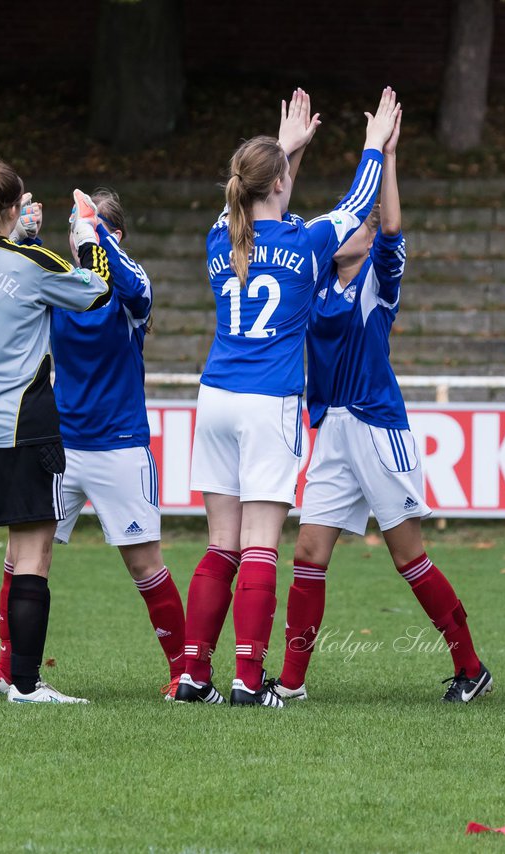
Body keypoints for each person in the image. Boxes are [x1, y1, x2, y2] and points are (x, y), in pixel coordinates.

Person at [175, 88, 399, 708]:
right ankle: (248, 679)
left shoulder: (221, 237)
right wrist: (373, 145)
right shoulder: (303, 245)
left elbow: (260, 209)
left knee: (220, 542)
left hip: (215, 395)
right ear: (276, 183)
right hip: (268, 400)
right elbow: (357, 207)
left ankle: (195, 674)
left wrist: (288, 151)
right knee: (259, 546)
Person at [274, 108, 492, 704]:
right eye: (350, 224)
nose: (356, 227)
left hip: (376, 426)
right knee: (308, 553)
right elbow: (277, 218)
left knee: (408, 556)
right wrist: (290, 150)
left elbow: (392, 228)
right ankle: (291, 685)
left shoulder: (376, 279)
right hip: (332, 430)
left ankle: (470, 666)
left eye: (361, 225)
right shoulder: (314, 279)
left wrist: (388, 156)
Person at [0, 189, 187, 701]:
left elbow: (133, 288)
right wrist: (18, 239)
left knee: (143, 562)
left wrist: (97, 239)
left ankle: (185, 669)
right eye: (75, 225)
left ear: (115, 236)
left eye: (91, 225)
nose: (77, 234)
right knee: (21, 557)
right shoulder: (61, 284)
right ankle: (10, 670)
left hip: (120, 445)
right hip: (59, 445)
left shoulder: (130, 291)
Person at [0, 160, 114, 704]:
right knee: (31, 560)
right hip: (22, 431)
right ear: (11, 207)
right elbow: (95, 291)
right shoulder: (33, 263)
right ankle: (26, 685)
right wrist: (85, 237)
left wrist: (15, 235)